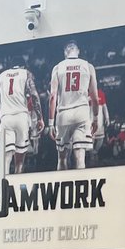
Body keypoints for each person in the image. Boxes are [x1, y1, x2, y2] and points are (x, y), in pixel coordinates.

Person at [48, 40, 99, 170]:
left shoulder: (58, 67)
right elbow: (94, 96)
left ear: (65, 52)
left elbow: (53, 96)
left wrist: (50, 122)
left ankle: (61, 184)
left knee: (62, 157)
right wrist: (96, 118)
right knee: (80, 158)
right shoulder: (88, 66)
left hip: (63, 114)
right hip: (81, 113)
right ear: (78, 51)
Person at [0, 63, 44, 174]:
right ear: (21, 66)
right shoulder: (26, 73)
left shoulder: (0, 76)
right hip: (21, 117)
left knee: (6, 156)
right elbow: (34, 95)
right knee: (20, 159)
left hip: (6, 118)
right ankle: (16, 184)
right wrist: (40, 118)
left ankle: (4, 184)